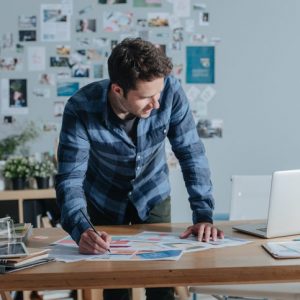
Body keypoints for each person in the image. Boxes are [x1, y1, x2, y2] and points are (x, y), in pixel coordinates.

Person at [55, 38, 224, 300]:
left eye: (159, 93)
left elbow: (190, 153)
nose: (156, 104)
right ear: (118, 90)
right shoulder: (81, 108)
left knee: (162, 281)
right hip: (104, 200)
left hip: (153, 193)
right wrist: (81, 229)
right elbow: (70, 178)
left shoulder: (169, 91)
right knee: (115, 284)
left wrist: (203, 215)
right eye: (146, 97)